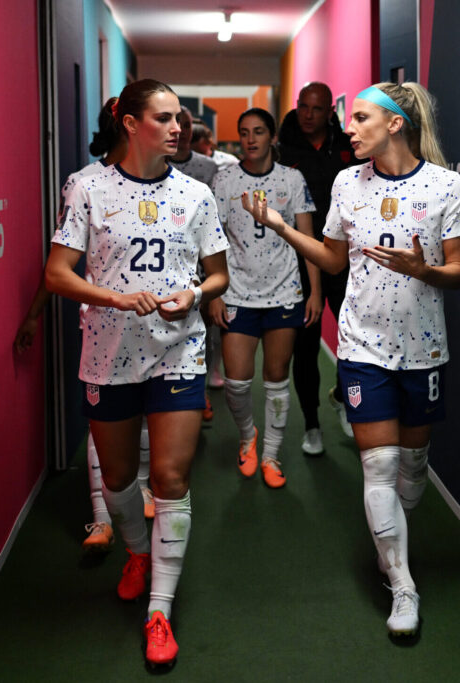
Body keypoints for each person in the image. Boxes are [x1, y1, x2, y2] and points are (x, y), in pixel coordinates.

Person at [242, 82, 460, 637]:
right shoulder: (348, 182)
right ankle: (402, 584)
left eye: (362, 118)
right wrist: (279, 226)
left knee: (411, 474)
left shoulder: (447, 186)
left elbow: (459, 271)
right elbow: (332, 256)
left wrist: (422, 270)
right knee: (378, 467)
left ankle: (391, 538)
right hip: (362, 345)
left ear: (395, 123)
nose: (350, 127)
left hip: (423, 349)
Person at [46, 79, 229, 667]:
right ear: (130, 123)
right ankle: (135, 551)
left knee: (171, 480)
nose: (179, 128)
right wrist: (117, 298)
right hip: (108, 353)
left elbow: (219, 275)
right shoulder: (87, 187)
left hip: (179, 350)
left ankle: (160, 611)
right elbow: (57, 273)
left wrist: (194, 292)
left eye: (179, 118)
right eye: (165, 118)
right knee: (121, 480)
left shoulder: (196, 195)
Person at [13, 98, 156, 552]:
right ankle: (101, 518)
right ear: (125, 127)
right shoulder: (84, 183)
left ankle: (144, 489)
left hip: (159, 325)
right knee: (106, 424)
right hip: (103, 325)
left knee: (152, 418)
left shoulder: (169, 184)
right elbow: (61, 260)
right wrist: (35, 312)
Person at [209, 108, 316, 488]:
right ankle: (247, 437)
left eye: (258, 132)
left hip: (285, 292)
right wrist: (214, 293)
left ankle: (270, 455)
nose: (250, 139)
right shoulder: (224, 181)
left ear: (272, 137)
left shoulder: (291, 179)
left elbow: (308, 243)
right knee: (237, 381)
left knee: (276, 378)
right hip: (236, 293)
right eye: (243, 133)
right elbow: (211, 242)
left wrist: (314, 292)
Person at [277, 82, 360, 454]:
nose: (307, 115)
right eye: (303, 107)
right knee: (306, 347)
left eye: (316, 109)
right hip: (299, 260)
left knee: (353, 336)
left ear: (330, 111)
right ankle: (311, 424)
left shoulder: (346, 148)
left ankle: (342, 395)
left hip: (343, 257)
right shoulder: (283, 150)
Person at [170, 108, 224, 405]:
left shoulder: (208, 168)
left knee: (205, 325)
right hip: (172, 260)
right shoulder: (158, 163)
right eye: (179, 123)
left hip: (203, 258)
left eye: (188, 124)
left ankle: (203, 380)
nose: (183, 129)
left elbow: (214, 222)